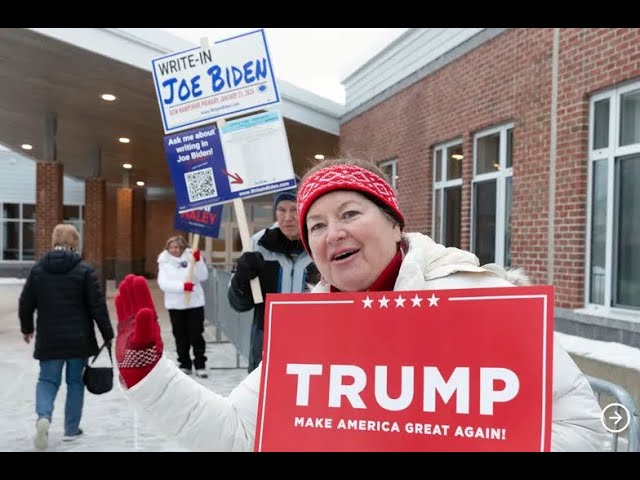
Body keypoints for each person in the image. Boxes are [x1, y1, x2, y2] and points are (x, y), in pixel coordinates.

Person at [115, 158, 608, 452]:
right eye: (317, 226)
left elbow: (586, 431)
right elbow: (240, 433)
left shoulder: (482, 300)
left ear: (396, 224)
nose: (335, 233)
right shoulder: (311, 333)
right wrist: (151, 378)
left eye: (350, 212)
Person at [19, 223, 114, 450]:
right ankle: (71, 430)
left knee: (47, 380)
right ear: (75, 243)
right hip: (79, 339)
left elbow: (26, 302)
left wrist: (27, 328)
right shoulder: (84, 270)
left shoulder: (39, 269)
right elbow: (97, 307)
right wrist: (107, 334)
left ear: (53, 241)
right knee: (74, 382)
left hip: (50, 338)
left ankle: (44, 417)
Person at [228, 189, 319, 372]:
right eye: (281, 210)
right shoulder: (258, 244)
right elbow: (238, 304)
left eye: (295, 209)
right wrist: (241, 278)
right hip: (267, 342)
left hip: (314, 341)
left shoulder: (322, 242)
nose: (287, 217)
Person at [157, 235, 209, 378]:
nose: (174, 250)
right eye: (171, 247)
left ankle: (200, 364)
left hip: (194, 303)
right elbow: (163, 283)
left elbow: (203, 276)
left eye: (177, 247)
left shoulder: (192, 257)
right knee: (180, 335)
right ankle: (184, 363)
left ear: (182, 247)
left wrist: (198, 262)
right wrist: (182, 287)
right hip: (175, 305)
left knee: (196, 334)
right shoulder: (164, 261)